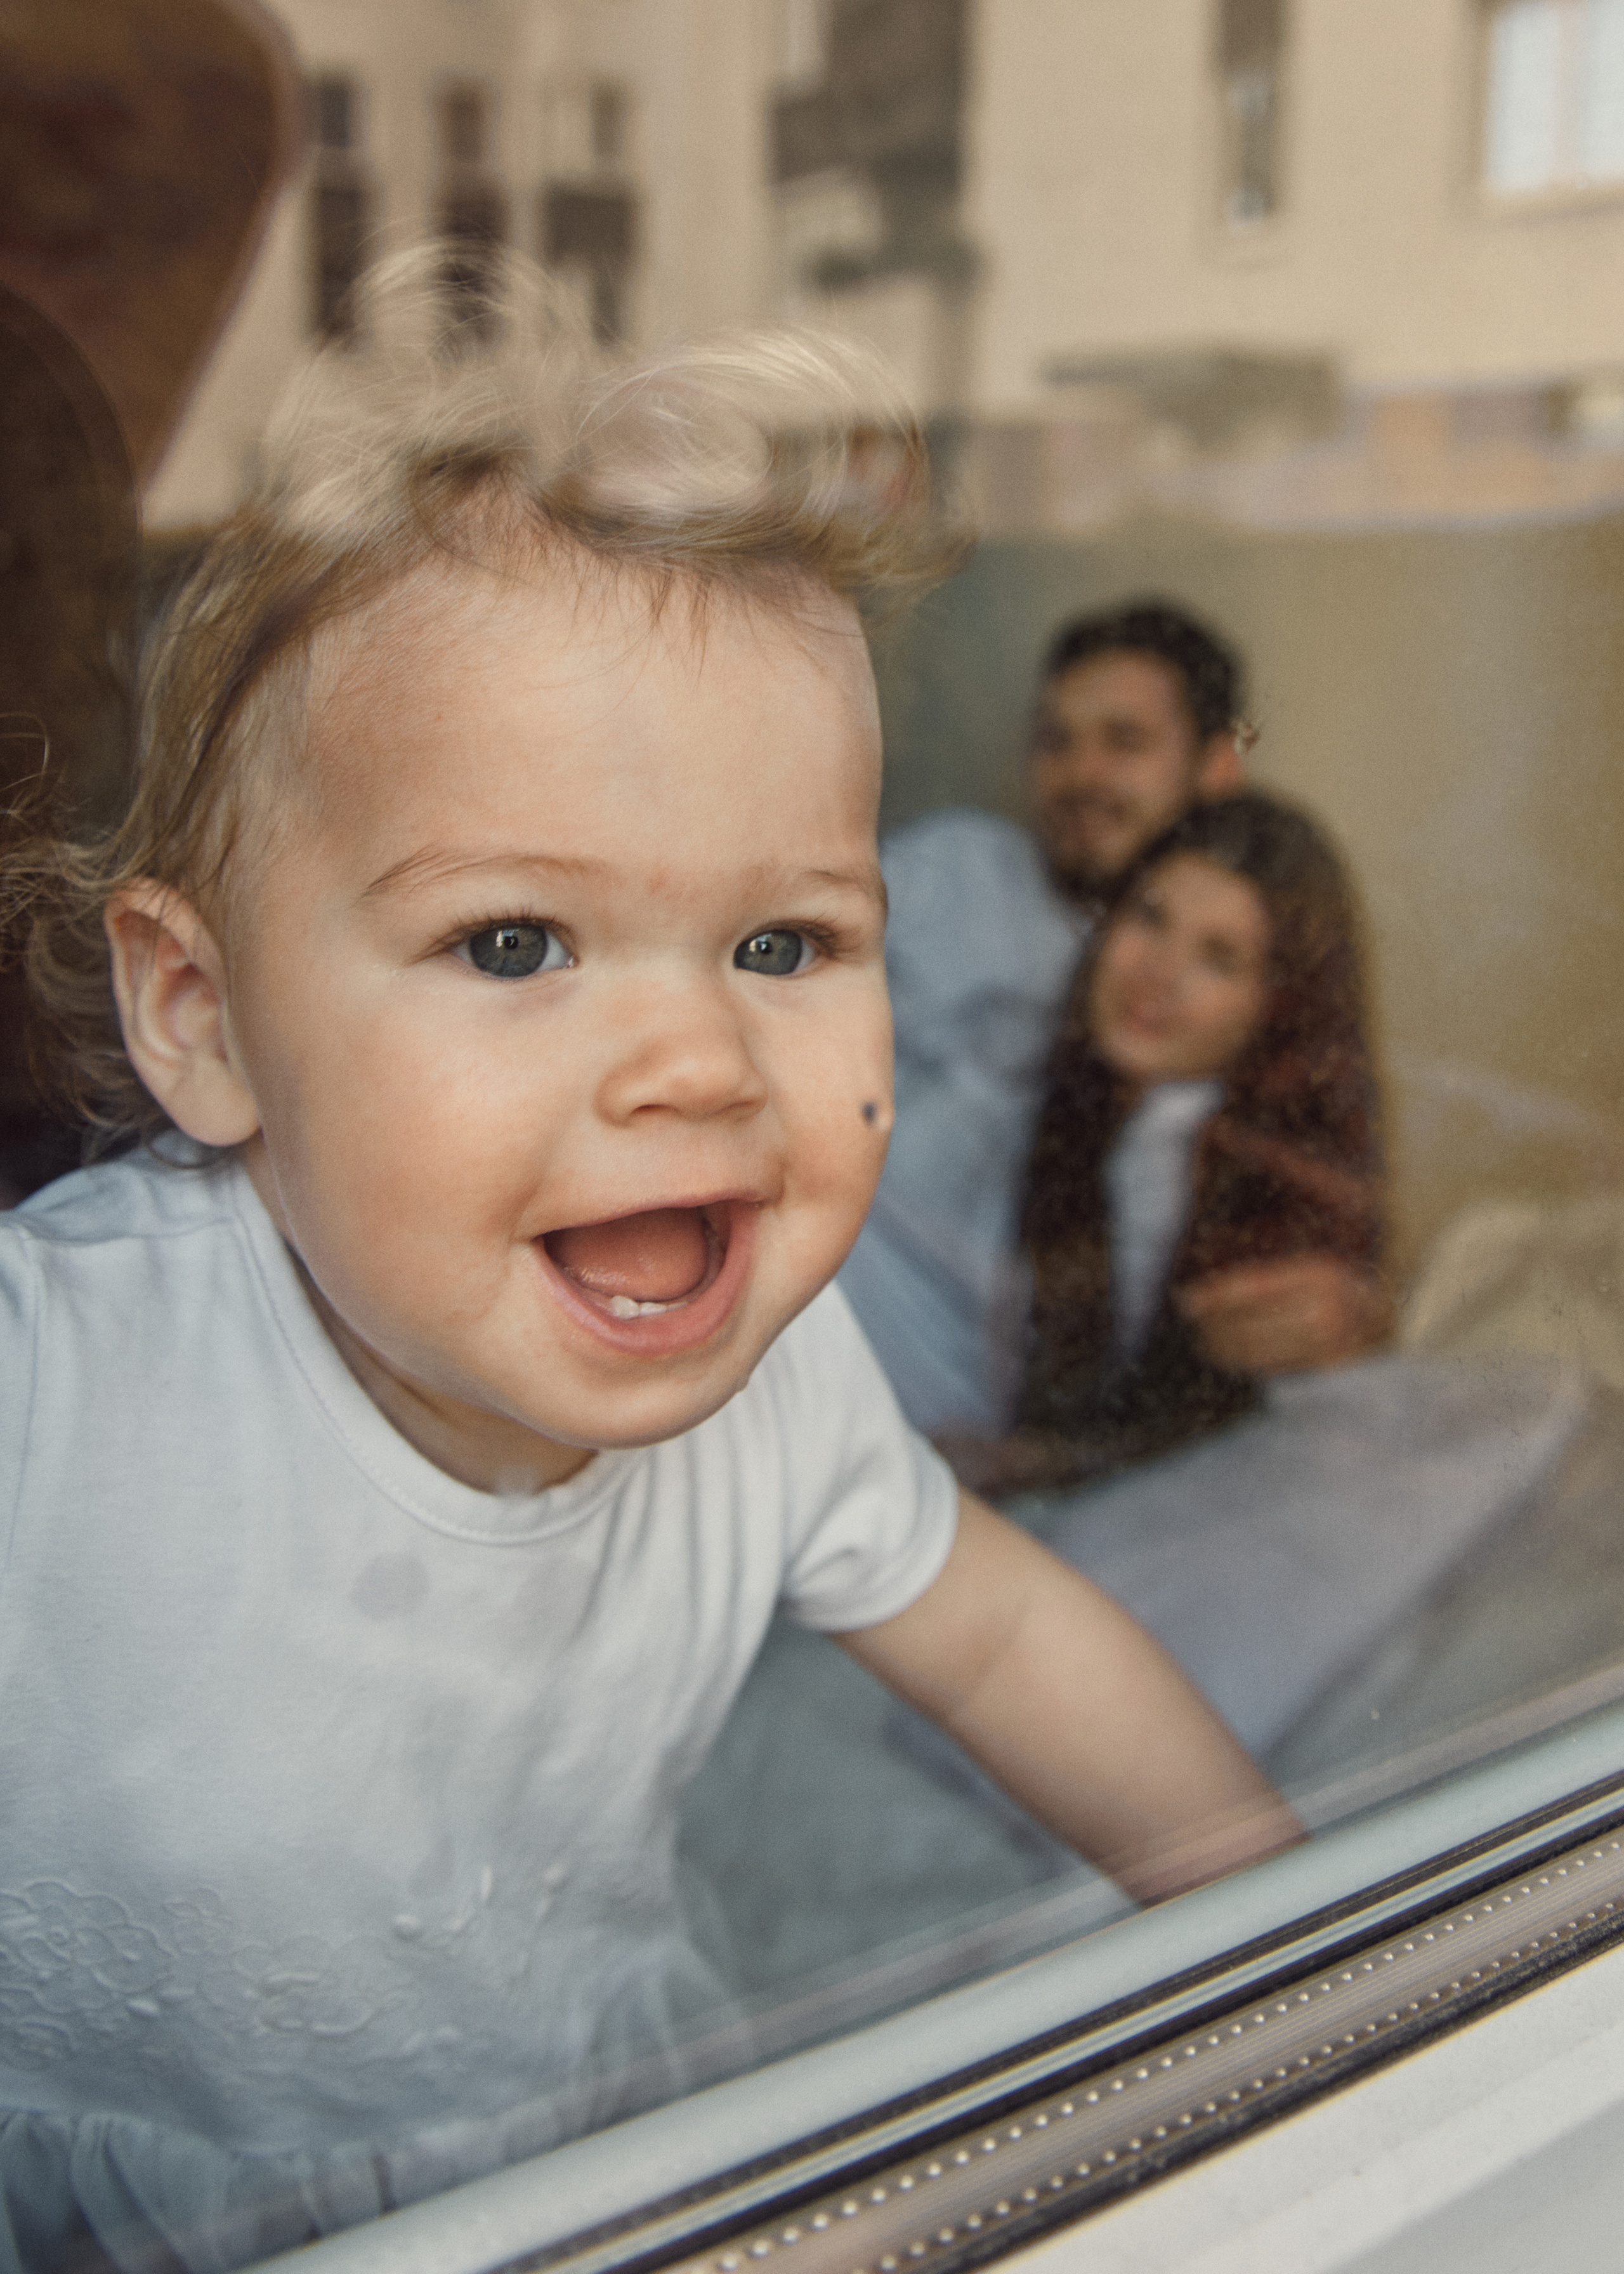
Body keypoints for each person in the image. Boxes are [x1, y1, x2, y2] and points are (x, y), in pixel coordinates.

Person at [0, 253, 1295, 2266]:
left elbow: (1015, 1642)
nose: (699, 1063)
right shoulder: (55, 1382)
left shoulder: (779, 1388)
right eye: (514, 943)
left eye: (784, 945)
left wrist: (1277, 1939)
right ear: (204, 1018)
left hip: (602, 2150)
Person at [837, 603, 1389, 1436]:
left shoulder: (1208, 1057)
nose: (1081, 773)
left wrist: (1363, 1314)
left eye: (1123, 742)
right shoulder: (958, 868)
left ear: (1218, 764)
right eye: (1056, 741)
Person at [949, 794, 1382, 1497]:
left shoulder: (1270, 1174)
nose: (1159, 973)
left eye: (1219, 958)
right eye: (1150, 916)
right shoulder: (1089, 1112)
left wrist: (1029, 1464)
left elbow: (1209, 1448)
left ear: (1278, 1005)